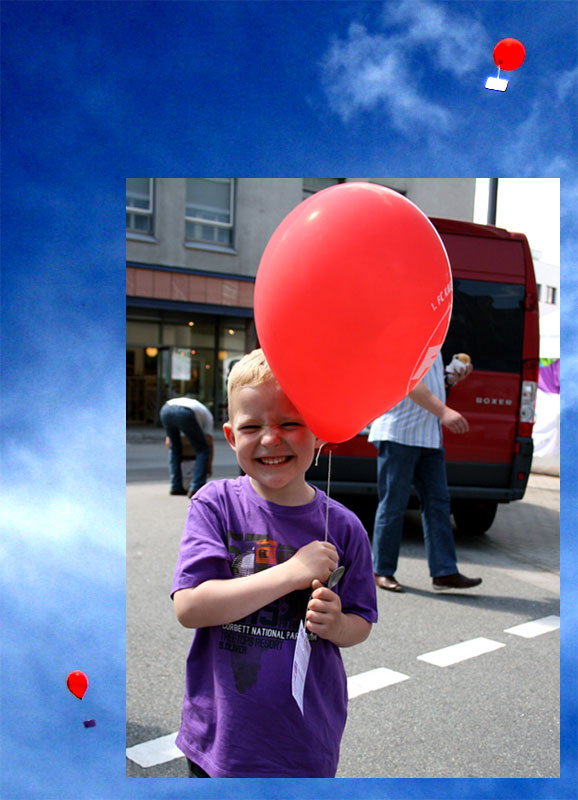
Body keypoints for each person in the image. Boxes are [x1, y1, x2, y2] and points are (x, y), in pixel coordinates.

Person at [170, 349, 378, 778]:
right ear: (230, 436)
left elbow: (361, 621)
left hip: (304, 743)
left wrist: (336, 625)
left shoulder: (344, 526)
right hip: (220, 740)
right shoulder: (215, 505)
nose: (269, 439)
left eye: (289, 423)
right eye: (252, 427)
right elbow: (191, 607)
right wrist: (291, 572)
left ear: (319, 432)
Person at [369, 352, 482, 593]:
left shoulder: (435, 338)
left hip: (429, 437)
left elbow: (427, 382)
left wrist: (449, 380)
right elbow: (407, 382)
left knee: (438, 504)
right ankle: (382, 570)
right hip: (399, 433)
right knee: (393, 504)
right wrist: (444, 412)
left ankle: (444, 572)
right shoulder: (409, 332)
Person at [160, 397, 214, 497]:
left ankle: (176, 486)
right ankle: (196, 487)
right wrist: (208, 466)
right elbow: (209, 443)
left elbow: (168, 441)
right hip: (184, 412)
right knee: (203, 449)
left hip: (165, 409)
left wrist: (172, 453)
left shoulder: (198, 410)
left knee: (175, 449)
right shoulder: (208, 417)